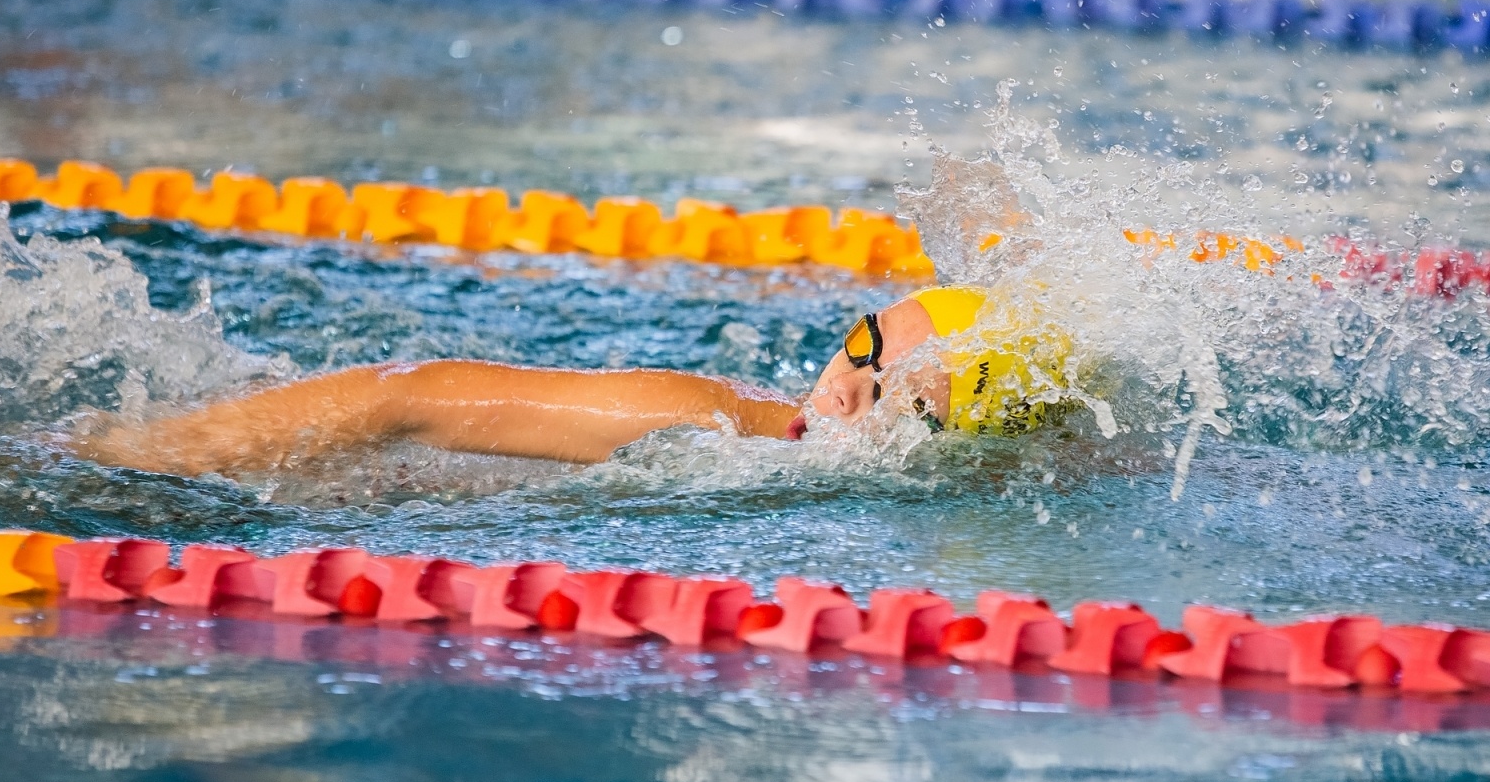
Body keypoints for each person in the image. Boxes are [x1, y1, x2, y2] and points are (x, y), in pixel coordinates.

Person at [75, 284, 1064, 476]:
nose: (848, 389)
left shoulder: (754, 451)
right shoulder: (701, 420)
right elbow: (401, 392)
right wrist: (148, 455)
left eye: (902, 398)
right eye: (861, 346)